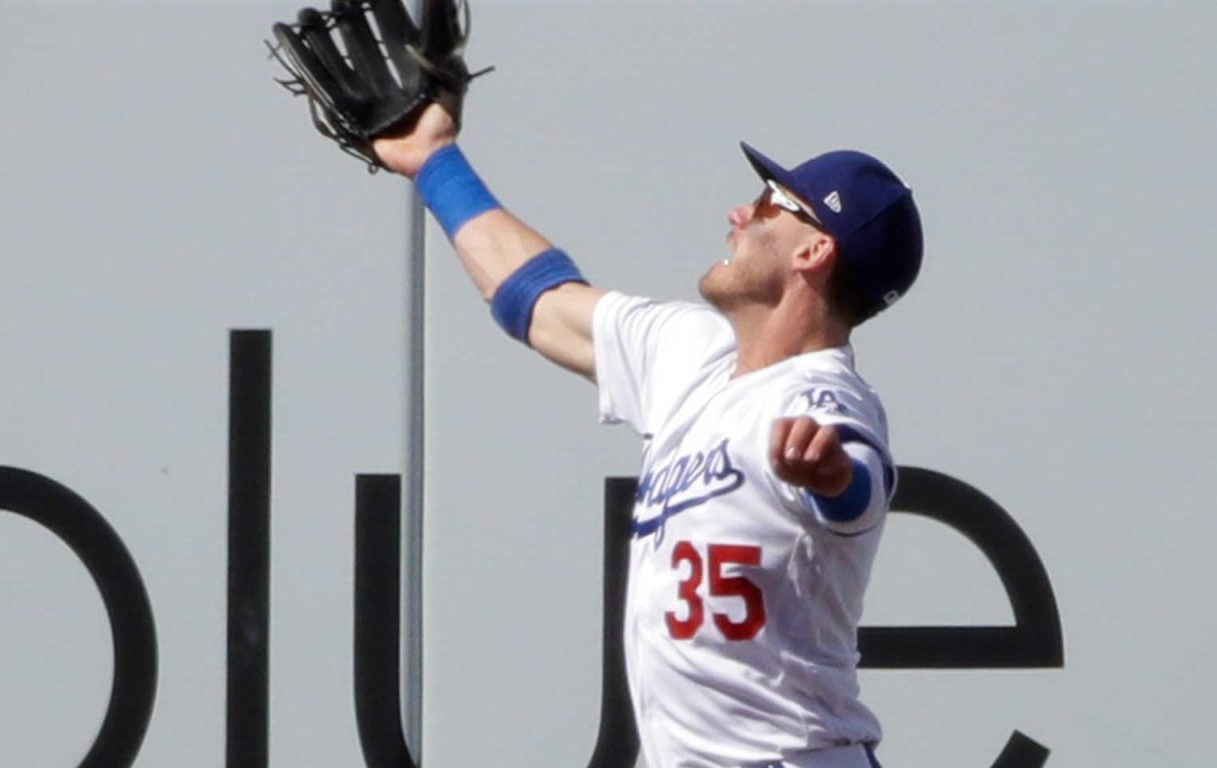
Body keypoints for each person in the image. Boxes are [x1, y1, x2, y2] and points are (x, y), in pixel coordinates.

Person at [374, 100, 922, 768]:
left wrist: (834, 478)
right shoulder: (690, 352)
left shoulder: (823, 395)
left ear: (814, 249)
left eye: (767, 201)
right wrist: (434, 161)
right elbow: (535, 298)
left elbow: (858, 484)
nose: (739, 216)